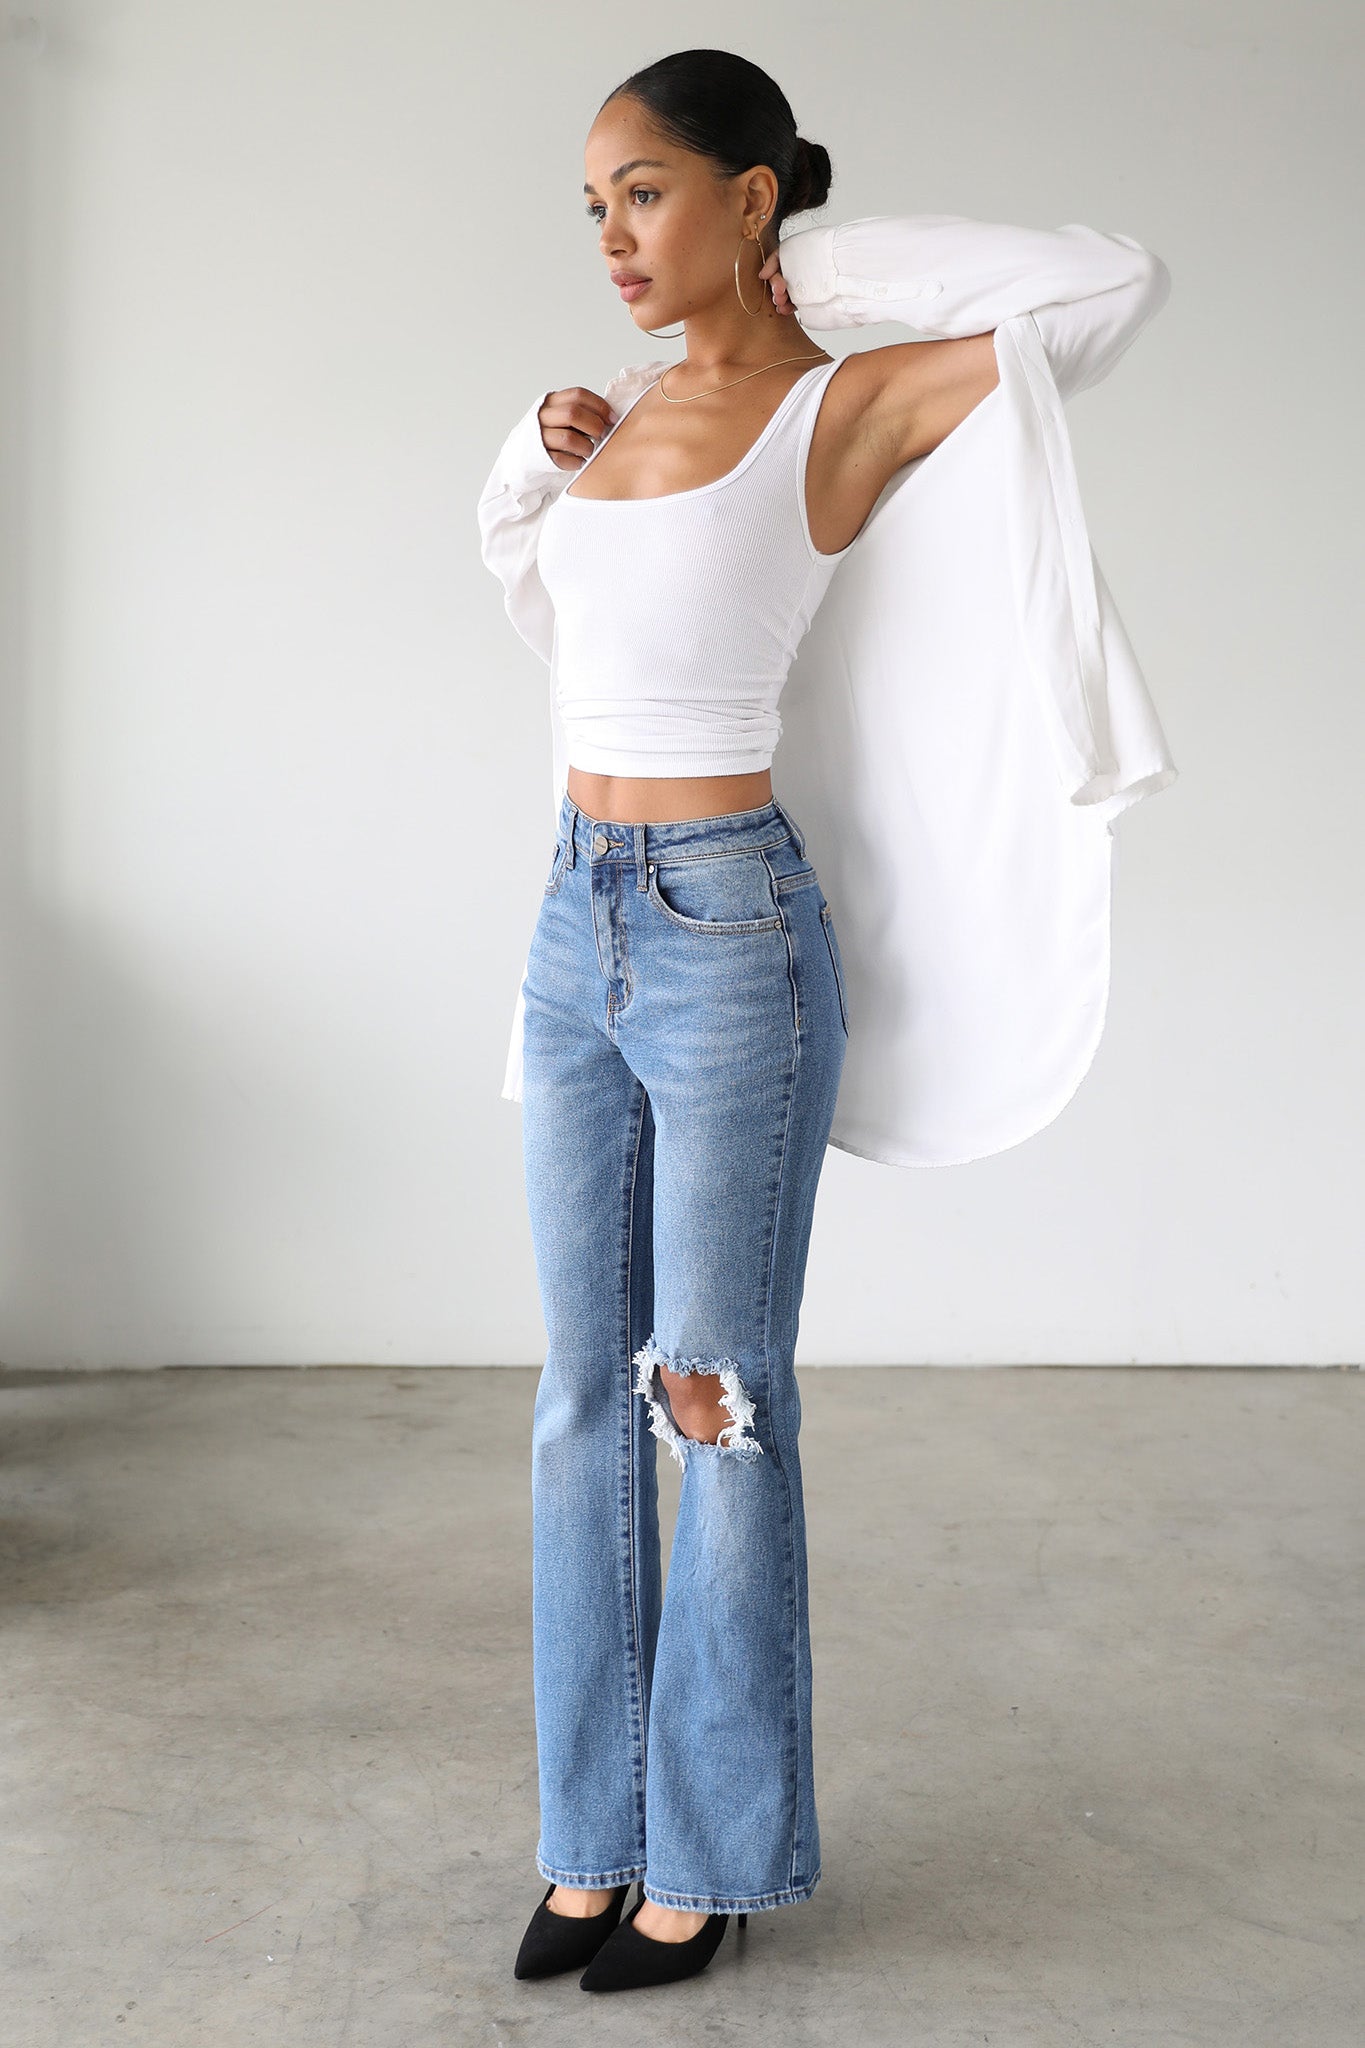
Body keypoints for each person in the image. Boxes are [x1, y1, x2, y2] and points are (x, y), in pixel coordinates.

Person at [479, 47, 1174, 1995]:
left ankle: (704, 1857)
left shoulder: (844, 405)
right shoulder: (614, 411)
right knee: (578, 1396)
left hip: (726, 935)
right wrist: (536, 454)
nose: (611, 237)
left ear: (748, 195)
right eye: (592, 206)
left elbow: (1107, 287)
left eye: (643, 191)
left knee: (713, 1392)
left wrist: (825, 264)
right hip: (571, 921)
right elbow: (560, 614)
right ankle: (589, 1840)